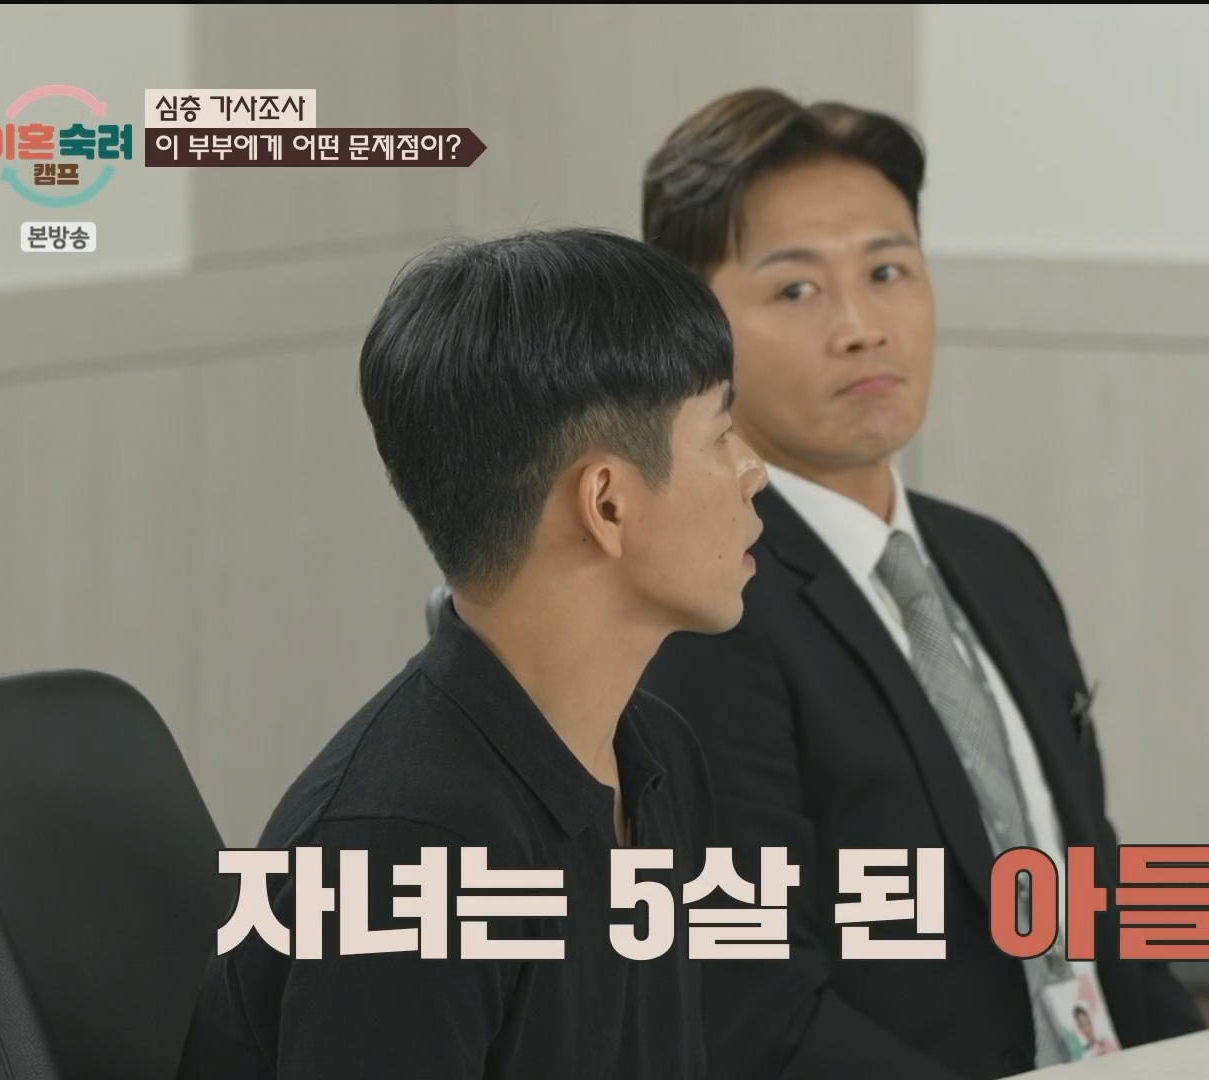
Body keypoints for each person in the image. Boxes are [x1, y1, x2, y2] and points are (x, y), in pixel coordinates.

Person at [637, 89, 1207, 1079]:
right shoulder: (704, 614)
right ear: (692, 330)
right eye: (796, 290)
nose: (862, 327)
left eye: (888, 271)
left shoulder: (996, 565)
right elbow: (755, 1013)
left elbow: (1100, 912)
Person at [176, 227, 769, 1079]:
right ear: (606, 504)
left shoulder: (657, 758)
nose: (754, 471)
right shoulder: (408, 854)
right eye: (721, 435)